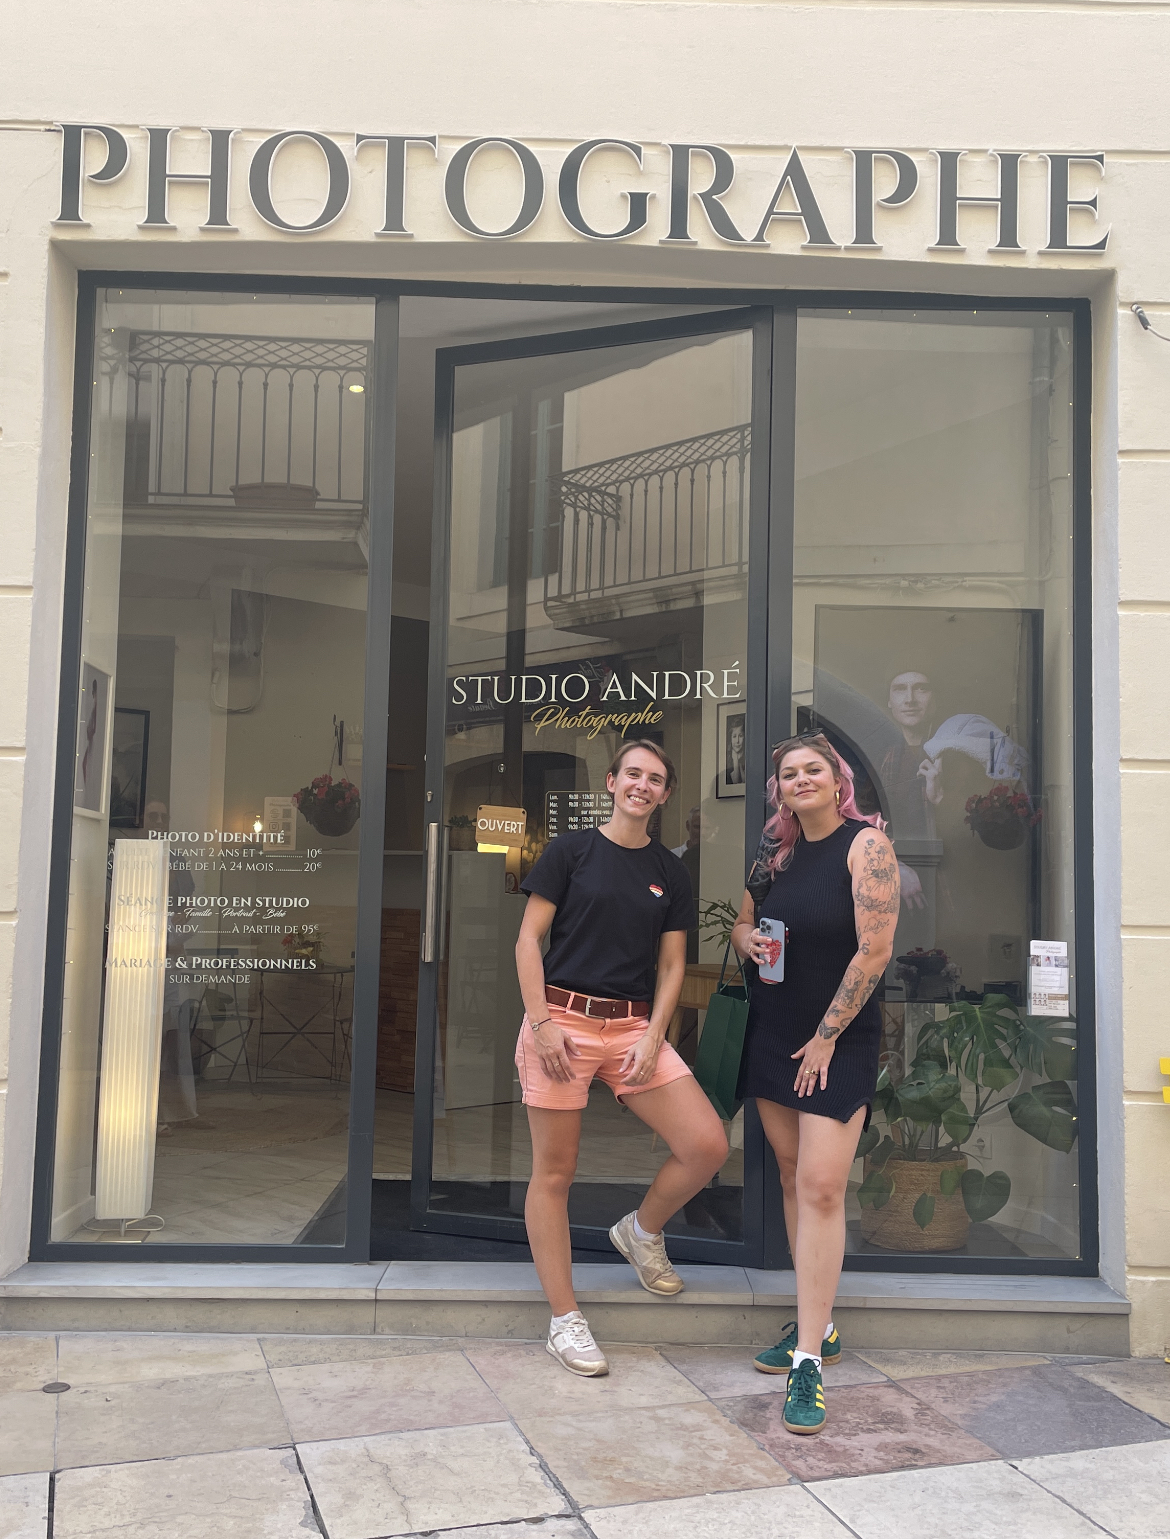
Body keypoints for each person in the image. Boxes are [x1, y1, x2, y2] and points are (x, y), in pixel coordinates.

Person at [514, 740, 730, 1377]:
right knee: (555, 1173)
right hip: (561, 1024)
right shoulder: (570, 852)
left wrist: (655, 1033)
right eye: (632, 774)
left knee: (707, 1144)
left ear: (664, 796)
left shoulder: (670, 868)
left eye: (655, 779)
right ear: (611, 782)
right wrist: (542, 1023)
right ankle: (565, 1320)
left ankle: (642, 1231)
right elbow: (528, 939)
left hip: (634, 1028)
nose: (642, 785)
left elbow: (671, 965)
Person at [729, 733, 899, 1435]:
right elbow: (741, 921)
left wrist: (827, 1035)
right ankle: (817, 1324)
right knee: (795, 1173)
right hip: (773, 1038)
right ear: (781, 790)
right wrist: (744, 938)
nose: (799, 780)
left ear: (838, 782)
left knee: (824, 1187)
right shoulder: (776, 854)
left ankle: (807, 1362)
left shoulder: (868, 848)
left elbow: (876, 947)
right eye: (787, 774)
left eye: (812, 770)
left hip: (836, 1042)